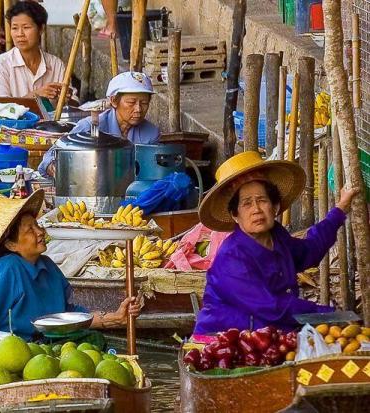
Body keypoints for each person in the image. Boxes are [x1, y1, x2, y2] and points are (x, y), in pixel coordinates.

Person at [0, 190, 141, 366]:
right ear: (11, 245)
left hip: (43, 350)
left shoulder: (47, 266)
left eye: (37, 225)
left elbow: (66, 316)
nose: (40, 232)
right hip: (10, 354)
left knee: (94, 340)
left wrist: (114, 317)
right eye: (29, 229)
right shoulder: (6, 271)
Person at [193, 151, 360, 335]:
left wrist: (340, 209)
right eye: (247, 204)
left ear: (275, 207)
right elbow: (272, 307)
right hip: (222, 339)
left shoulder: (277, 237)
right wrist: (328, 315)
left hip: (268, 333)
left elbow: (309, 250)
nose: (256, 209)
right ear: (235, 215)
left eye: (262, 200)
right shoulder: (231, 258)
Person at [38, 71, 161, 177]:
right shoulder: (89, 126)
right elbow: (50, 157)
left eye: (144, 103)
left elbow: (150, 172)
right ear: (113, 101)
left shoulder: (151, 133)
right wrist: (57, 169)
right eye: (131, 102)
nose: (138, 109)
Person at [0, 2, 66, 103]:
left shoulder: (56, 65)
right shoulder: (1, 65)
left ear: (41, 29)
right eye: (14, 28)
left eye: (26, 27)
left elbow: (74, 104)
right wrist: (36, 95)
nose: (20, 34)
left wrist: (65, 98)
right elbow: (1, 109)